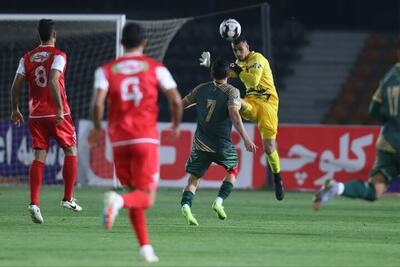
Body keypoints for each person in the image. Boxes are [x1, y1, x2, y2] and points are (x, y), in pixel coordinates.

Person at [89, 22, 182, 263]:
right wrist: (175, 124)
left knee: (135, 194)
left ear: (121, 43)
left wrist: (98, 128)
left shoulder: (106, 69)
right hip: (145, 138)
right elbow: (175, 100)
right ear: (144, 43)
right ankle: (117, 201)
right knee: (146, 197)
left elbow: (98, 104)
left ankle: (146, 249)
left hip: (119, 141)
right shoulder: (155, 68)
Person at [10, 19, 82, 225]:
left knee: (39, 155)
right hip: (58, 113)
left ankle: (34, 203)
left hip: (35, 114)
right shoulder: (59, 55)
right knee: (70, 150)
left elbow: (15, 85)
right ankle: (68, 198)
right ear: (54, 35)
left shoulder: (27, 57)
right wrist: (59, 108)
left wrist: (15, 109)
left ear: (38, 36)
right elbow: (52, 80)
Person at [200, 36, 285, 200]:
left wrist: (237, 69)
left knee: (269, 148)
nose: (238, 53)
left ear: (248, 46)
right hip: (251, 104)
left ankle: (277, 178)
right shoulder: (238, 64)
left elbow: (253, 82)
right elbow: (223, 74)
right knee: (232, 98)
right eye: (235, 50)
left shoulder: (257, 58)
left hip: (268, 105)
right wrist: (211, 65)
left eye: (240, 49)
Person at [313, 61, 400, 210]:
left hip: (388, 143)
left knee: (375, 190)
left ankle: (336, 188)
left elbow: (374, 109)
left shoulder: (389, 77)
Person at [180, 58, 257, 226]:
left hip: (201, 143)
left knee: (194, 178)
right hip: (222, 144)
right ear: (229, 74)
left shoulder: (200, 89)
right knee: (233, 170)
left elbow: (182, 105)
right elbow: (235, 116)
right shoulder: (232, 92)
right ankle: (219, 201)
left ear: (211, 73)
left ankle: (186, 205)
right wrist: (246, 138)